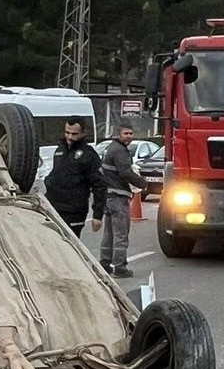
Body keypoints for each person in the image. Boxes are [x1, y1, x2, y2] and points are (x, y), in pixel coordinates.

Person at [99, 120, 147, 278]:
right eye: (126, 134)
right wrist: (142, 183)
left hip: (108, 196)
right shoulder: (120, 151)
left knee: (109, 234)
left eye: (131, 133)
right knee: (121, 234)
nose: (129, 137)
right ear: (118, 134)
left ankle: (104, 264)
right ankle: (120, 267)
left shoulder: (110, 148)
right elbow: (125, 172)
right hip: (118, 197)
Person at [44, 117, 106, 240]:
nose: (70, 137)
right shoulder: (60, 150)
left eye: (74, 134)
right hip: (53, 207)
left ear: (83, 133)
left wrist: (97, 215)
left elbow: (99, 185)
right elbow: (56, 174)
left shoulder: (88, 155)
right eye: (67, 132)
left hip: (74, 211)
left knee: (70, 246)